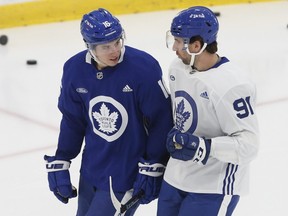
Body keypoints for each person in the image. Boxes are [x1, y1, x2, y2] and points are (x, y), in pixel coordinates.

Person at [44, 8, 173, 216]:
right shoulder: (74, 70)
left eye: (117, 42)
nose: (115, 50)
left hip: (126, 172)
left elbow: (162, 120)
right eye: (105, 46)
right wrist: (62, 159)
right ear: (89, 46)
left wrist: (154, 162)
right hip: (91, 168)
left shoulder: (143, 68)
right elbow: (72, 120)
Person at [157, 6, 259, 216]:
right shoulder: (177, 68)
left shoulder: (233, 86)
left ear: (196, 45)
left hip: (213, 186)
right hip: (175, 177)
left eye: (179, 41)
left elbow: (249, 145)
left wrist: (204, 147)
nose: (174, 48)